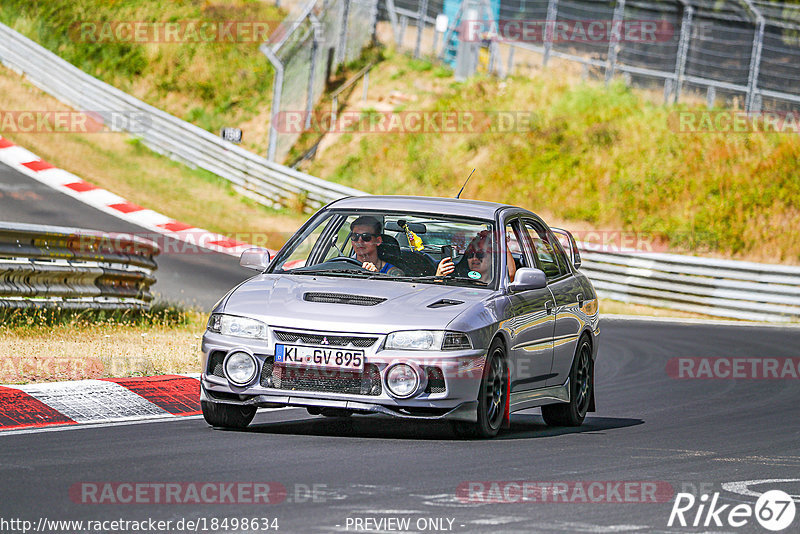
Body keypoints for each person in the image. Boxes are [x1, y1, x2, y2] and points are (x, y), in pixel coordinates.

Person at [435, 230, 516, 283]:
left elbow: (511, 274)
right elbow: (435, 292)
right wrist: (439, 276)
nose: (474, 258)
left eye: (480, 254)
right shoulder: (456, 279)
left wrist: (502, 243)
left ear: (492, 258)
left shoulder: (499, 283)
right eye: (470, 255)